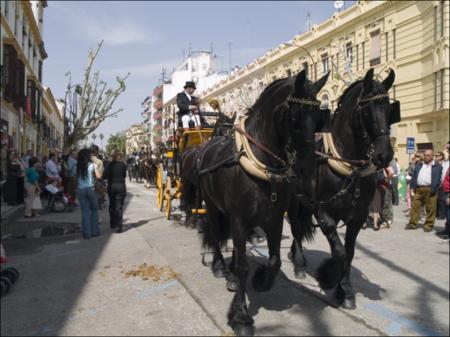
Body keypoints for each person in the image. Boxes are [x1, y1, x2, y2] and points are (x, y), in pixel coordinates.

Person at [406, 149, 443, 232]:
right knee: (415, 207)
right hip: (419, 189)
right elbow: (414, 177)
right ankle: (412, 223)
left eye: (428, 155)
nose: (426, 157)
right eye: (425, 155)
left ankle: (428, 225)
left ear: (432, 156)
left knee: (431, 208)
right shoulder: (419, 165)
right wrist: (412, 187)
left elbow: (439, 179)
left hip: (430, 189)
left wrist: (435, 187)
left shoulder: (437, 166)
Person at [77, 148, 102, 239]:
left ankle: (86, 233)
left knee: (84, 212)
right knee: (94, 211)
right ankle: (95, 231)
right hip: (91, 189)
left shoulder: (77, 166)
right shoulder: (92, 165)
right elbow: (99, 176)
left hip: (81, 190)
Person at [104, 150, 127, 233]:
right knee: (119, 206)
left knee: (112, 205)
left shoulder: (109, 165)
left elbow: (104, 176)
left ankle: (113, 223)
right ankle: (119, 225)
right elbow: (124, 175)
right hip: (121, 186)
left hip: (111, 186)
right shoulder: (123, 165)